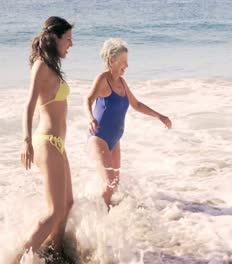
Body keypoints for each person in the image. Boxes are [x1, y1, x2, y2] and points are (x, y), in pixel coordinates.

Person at [84, 38, 172, 208]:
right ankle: (98, 219)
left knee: (114, 184)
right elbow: (87, 99)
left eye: (127, 61)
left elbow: (136, 104)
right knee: (108, 184)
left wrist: (160, 116)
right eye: (123, 62)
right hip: (99, 137)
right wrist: (90, 118)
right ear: (112, 61)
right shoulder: (103, 79)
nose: (127, 66)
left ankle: (107, 216)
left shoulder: (122, 83)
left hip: (114, 140)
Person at [18, 16, 74, 261]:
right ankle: (17, 258)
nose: (71, 44)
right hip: (46, 142)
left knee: (68, 204)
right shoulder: (40, 65)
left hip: (58, 145)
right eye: (68, 39)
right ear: (55, 37)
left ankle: (56, 253)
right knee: (54, 211)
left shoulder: (51, 66)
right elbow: (29, 105)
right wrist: (26, 141)